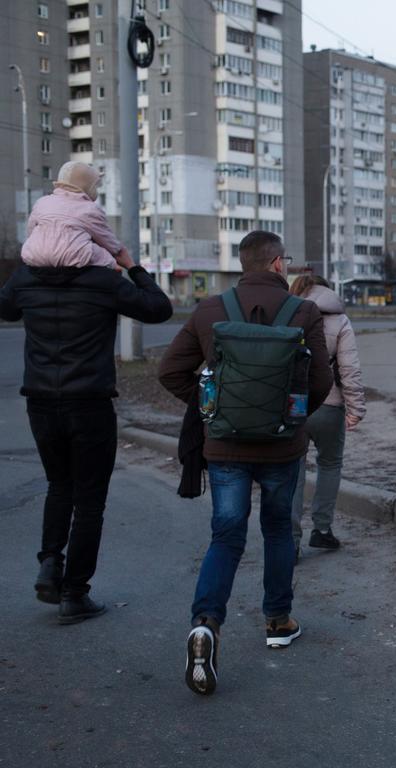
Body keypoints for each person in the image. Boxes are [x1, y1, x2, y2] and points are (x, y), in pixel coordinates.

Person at [158, 231, 332, 696]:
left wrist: (209, 408)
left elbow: (169, 371)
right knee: (278, 529)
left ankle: (206, 624)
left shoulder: (211, 310)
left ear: (244, 263)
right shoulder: (304, 311)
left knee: (227, 534)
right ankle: (277, 620)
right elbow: (320, 380)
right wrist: (292, 417)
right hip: (282, 447)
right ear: (278, 264)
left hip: (225, 448)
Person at [0, 234, 172, 623]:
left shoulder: (27, 277)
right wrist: (131, 265)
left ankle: (49, 563)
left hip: (40, 402)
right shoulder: (102, 280)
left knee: (59, 484)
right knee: (89, 500)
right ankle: (74, 593)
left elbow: (6, 309)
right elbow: (159, 308)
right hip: (89, 403)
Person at [289, 274, 366, 557]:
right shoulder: (340, 321)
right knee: (330, 464)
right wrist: (356, 408)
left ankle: (290, 541)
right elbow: (349, 369)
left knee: (292, 471)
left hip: (293, 407)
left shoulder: (287, 315)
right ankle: (322, 530)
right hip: (329, 405)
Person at [21, 161, 124, 269]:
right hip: (73, 256)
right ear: (87, 185)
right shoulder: (90, 209)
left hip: (35, 255)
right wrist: (115, 260)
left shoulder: (42, 202)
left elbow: (30, 231)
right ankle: (115, 268)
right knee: (104, 255)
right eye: (95, 185)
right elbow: (111, 244)